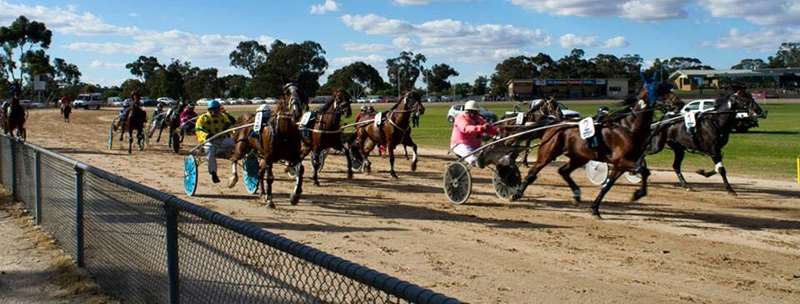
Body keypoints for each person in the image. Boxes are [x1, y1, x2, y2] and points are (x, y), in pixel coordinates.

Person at [195, 100, 236, 183]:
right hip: (209, 141)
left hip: (222, 139)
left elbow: (230, 125)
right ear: (210, 109)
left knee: (236, 144)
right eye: (215, 109)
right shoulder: (203, 118)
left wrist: (230, 129)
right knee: (210, 153)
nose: (217, 111)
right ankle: (213, 173)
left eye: (218, 109)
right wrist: (206, 136)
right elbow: (198, 129)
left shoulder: (222, 116)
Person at [450, 100, 498, 166]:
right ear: (468, 111)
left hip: (476, 146)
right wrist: (481, 128)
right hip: (460, 145)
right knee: (472, 158)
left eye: (476, 112)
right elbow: (465, 128)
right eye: (474, 112)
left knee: (489, 154)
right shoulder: (461, 118)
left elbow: (489, 129)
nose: (476, 114)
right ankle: (476, 162)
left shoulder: (479, 119)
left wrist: (497, 131)